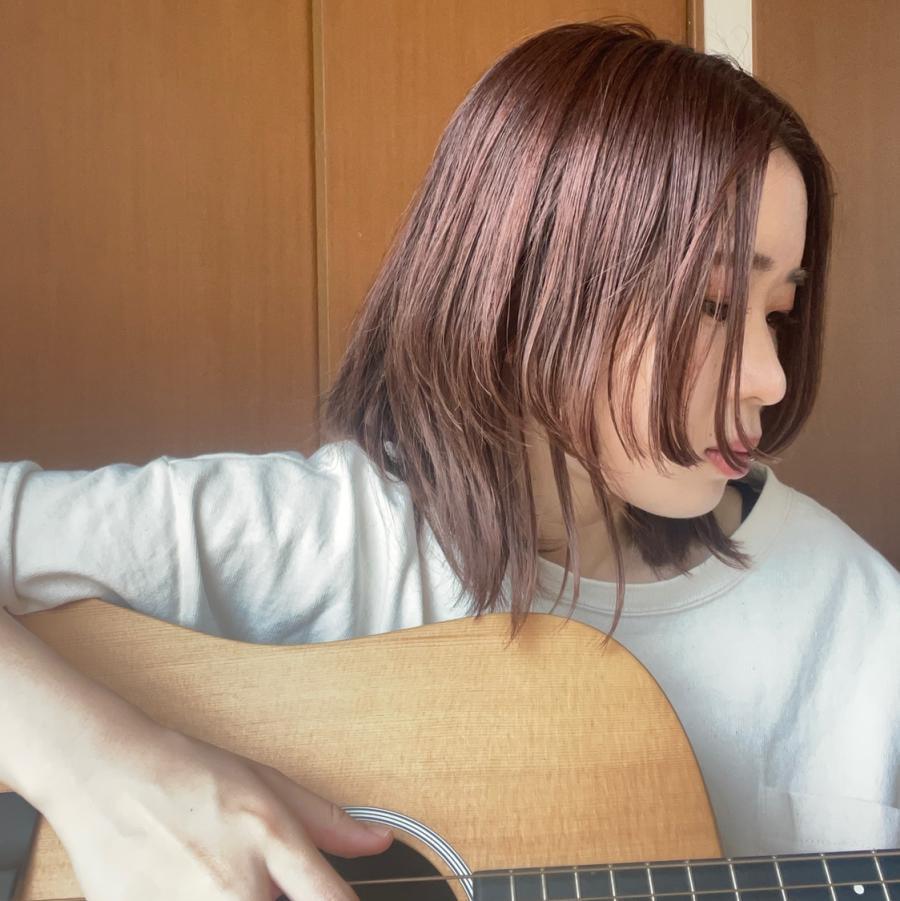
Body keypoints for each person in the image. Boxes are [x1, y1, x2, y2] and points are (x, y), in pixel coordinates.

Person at [1, 17, 898, 901]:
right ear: (530, 284)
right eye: (712, 304)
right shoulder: (330, 536)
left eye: (778, 312)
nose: (771, 378)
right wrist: (106, 776)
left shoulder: (862, 622)